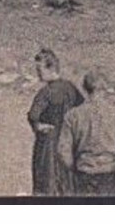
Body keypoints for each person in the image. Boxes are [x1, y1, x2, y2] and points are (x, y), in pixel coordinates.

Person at [57, 71, 115, 195]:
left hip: (84, 175)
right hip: (111, 175)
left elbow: (63, 150)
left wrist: (75, 168)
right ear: (105, 88)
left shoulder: (72, 116)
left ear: (84, 88)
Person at [27, 48, 84, 194]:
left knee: (48, 185)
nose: (38, 73)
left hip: (49, 145)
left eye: (39, 69)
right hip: (69, 143)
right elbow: (82, 110)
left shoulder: (45, 93)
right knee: (68, 185)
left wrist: (38, 126)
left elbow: (33, 115)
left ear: (50, 67)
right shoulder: (71, 88)